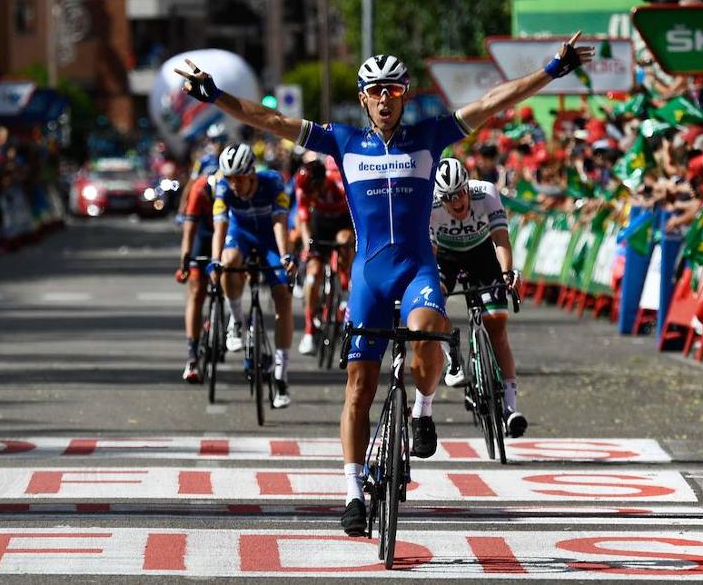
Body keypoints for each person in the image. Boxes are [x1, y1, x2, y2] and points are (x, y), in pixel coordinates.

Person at [174, 32, 593, 536]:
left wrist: (552, 69)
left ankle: (423, 409)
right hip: (369, 275)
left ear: (406, 94)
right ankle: (352, 491)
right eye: (375, 90)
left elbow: (490, 102)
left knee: (426, 332)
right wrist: (214, 95)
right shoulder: (342, 141)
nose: (385, 98)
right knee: (359, 389)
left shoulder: (429, 135)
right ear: (363, 99)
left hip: (417, 268)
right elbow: (272, 120)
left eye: (393, 89)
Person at [429, 158, 527, 438]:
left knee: (496, 323)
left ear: (468, 187)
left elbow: (500, 239)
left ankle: (510, 408)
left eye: (460, 193)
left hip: (482, 253)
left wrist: (507, 273)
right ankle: (453, 357)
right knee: (431, 305)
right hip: (446, 257)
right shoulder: (431, 206)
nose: (456, 201)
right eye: (448, 198)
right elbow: (429, 255)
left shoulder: (486, 193)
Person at [208, 144, 298, 409]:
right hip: (242, 234)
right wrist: (215, 261)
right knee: (227, 262)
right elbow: (220, 226)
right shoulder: (223, 188)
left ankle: (281, 373)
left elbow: (281, 222)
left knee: (283, 297)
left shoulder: (272, 182)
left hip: (270, 236)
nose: (234, 184)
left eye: (239, 178)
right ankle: (236, 320)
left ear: (251, 175)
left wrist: (285, 257)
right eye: (230, 178)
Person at [294, 157, 354, 356]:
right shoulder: (303, 188)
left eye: (313, 192)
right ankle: (309, 331)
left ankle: (345, 289)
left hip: (341, 223)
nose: (310, 196)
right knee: (313, 274)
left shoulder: (340, 186)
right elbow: (303, 220)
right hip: (319, 226)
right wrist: (307, 245)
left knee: (345, 240)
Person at [175, 170, 217, 383]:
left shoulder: (232, 190)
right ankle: (192, 356)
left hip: (225, 233)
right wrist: (185, 261)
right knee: (196, 290)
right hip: (203, 234)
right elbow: (189, 231)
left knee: (229, 278)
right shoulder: (199, 190)